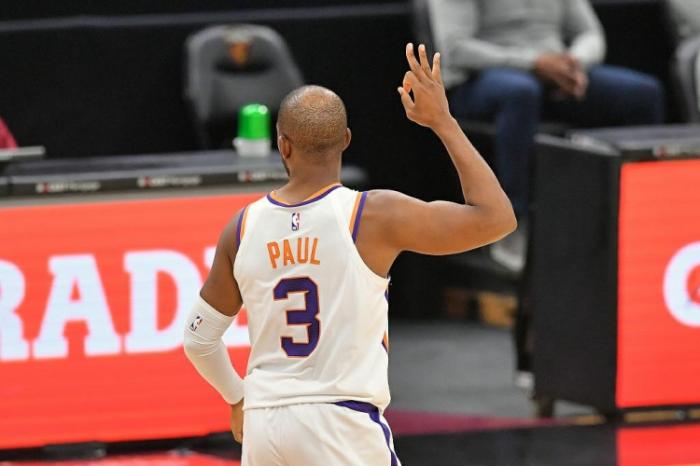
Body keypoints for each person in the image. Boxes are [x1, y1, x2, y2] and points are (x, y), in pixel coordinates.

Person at [183, 43, 516, 466]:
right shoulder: (372, 215)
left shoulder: (242, 227)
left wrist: (237, 397)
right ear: (345, 141)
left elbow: (198, 339)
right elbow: (496, 218)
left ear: (283, 146)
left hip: (266, 426)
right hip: (340, 423)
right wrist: (443, 123)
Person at [428, 0, 665, 271]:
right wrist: (533, 63)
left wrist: (574, 62)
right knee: (521, 92)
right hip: (481, 79)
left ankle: (639, 215)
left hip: (553, 71)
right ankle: (509, 224)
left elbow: (590, 33)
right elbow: (455, 49)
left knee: (643, 94)